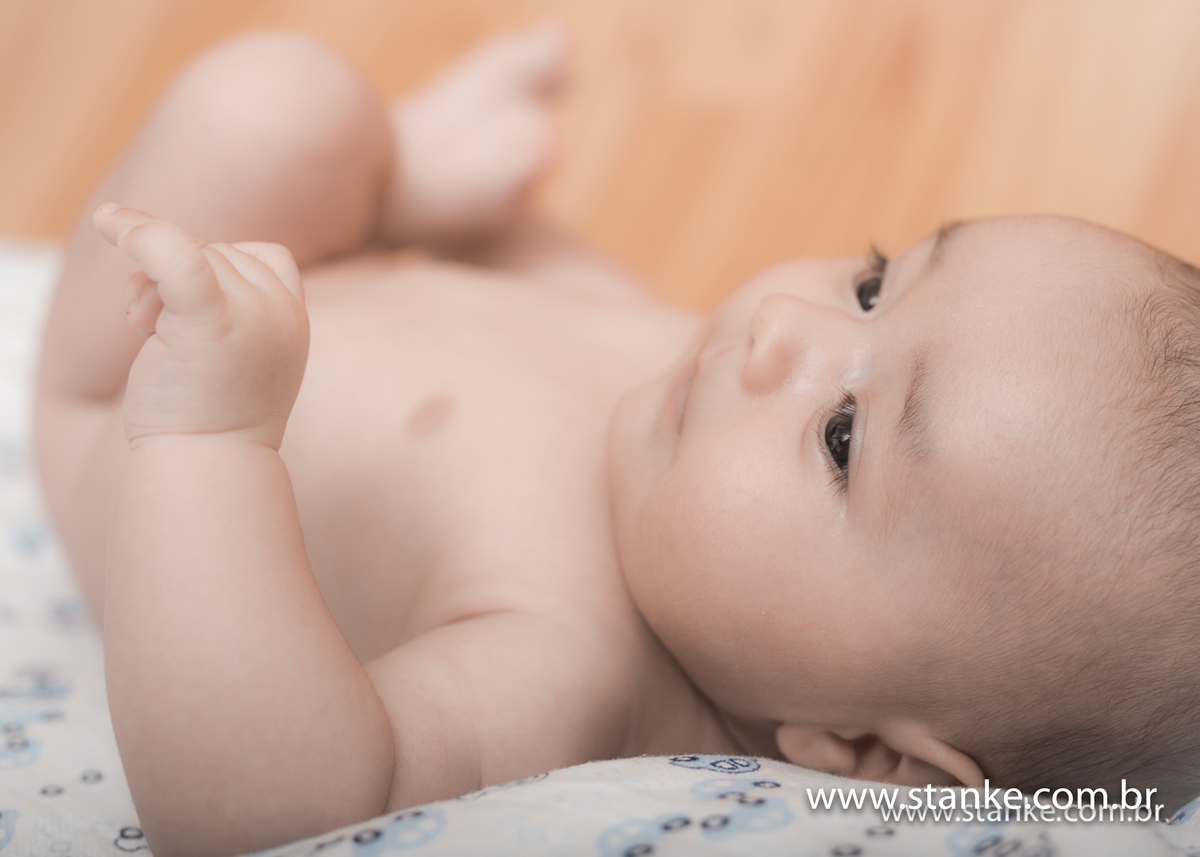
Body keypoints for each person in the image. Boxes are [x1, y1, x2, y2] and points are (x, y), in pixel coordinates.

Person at [34, 24, 1200, 857]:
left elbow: (264, 807)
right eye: (875, 281)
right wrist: (489, 216)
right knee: (294, 105)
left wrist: (212, 434)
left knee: (256, 104)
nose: (780, 329)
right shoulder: (689, 393)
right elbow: (556, 302)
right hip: (300, 278)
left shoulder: (568, 656)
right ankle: (398, 178)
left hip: (118, 407)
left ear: (863, 750)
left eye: (845, 437)